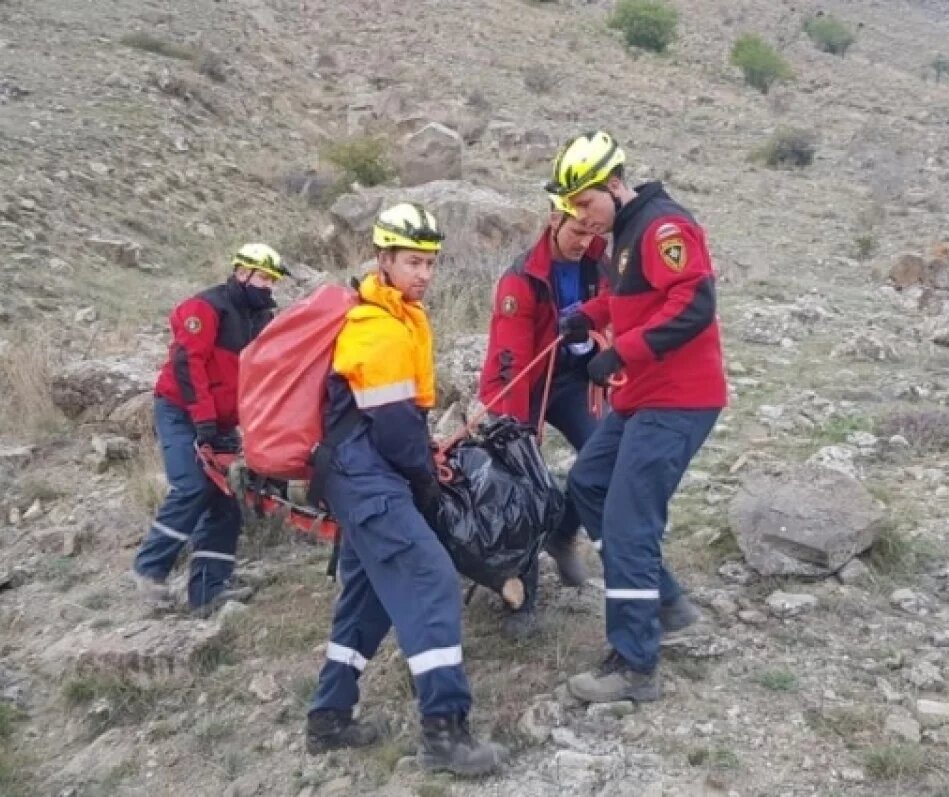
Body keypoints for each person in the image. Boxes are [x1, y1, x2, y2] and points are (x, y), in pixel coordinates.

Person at [304, 203, 504, 776]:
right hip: (368, 480)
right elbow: (394, 429)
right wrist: (426, 481)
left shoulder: (396, 318)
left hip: (359, 476)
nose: (424, 273)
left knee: (367, 595)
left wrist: (419, 466)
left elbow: (394, 424)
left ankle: (328, 718)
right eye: (413, 262)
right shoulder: (381, 329)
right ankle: (445, 732)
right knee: (431, 578)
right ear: (383, 259)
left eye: (431, 263)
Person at [545, 131, 727, 703]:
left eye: (586, 202)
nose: (582, 217)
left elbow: (693, 304)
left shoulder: (663, 227)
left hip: (678, 399)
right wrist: (588, 314)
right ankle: (667, 603)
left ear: (614, 184)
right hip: (644, 398)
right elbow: (634, 296)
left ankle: (634, 664)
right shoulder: (624, 232)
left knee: (628, 525)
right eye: (573, 207)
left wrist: (623, 351)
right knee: (589, 482)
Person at [131, 243, 289, 618]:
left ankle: (208, 589)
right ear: (241, 273)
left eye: (272, 280)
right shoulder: (205, 308)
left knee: (226, 498)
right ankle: (149, 570)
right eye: (263, 277)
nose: (268, 286)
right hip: (180, 410)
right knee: (192, 485)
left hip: (221, 419)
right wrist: (203, 422)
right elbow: (190, 367)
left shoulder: (261, 318)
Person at [476, 202, 611, 638]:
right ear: (555, 220)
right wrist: (515, 433)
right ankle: (522, 598)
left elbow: (616, 305)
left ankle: (562, 533)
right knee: (522, 486)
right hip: (523, 383)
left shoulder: (598, 262)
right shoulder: (521, 279)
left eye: (591, 232)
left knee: (605, 456)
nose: (584, 242)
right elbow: (510, 361)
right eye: (577, 231)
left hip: (572, 379)